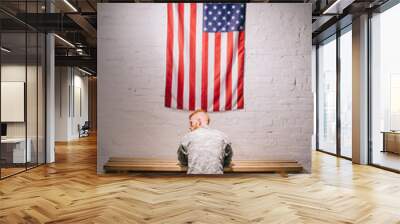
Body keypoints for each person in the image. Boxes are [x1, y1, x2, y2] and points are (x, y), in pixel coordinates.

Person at [177, 109, 233, 174]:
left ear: (199, 121)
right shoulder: (223, 136)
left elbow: (182, 161)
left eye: (191, 123)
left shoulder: (187, 137)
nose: (190, 127)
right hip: (217, 181)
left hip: (194, 181)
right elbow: (227, 162)